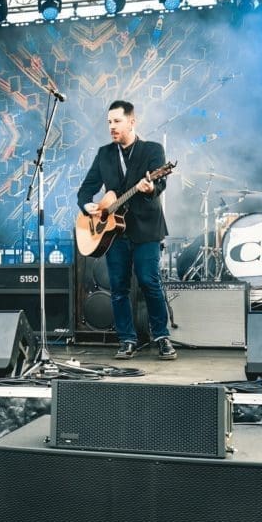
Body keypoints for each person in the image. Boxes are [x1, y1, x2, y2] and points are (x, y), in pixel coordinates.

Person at [77, 100, 175, 360]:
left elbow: (160, 184)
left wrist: (151, 187)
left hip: (146, 229)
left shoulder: (153, 150)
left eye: (117, 121)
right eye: (109, 122)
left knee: (148, 281)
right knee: (118, 287)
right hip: (114, 232)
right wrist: (91, 207)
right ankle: (127, 340)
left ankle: (162, 337)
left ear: (132, 122)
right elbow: (85, 190)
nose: (112, 127)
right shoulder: (104, 154)